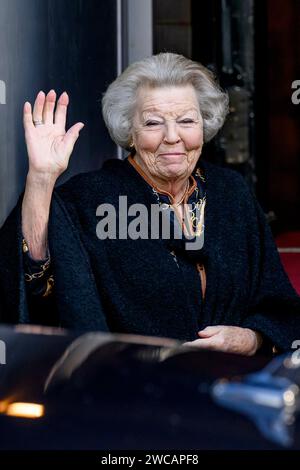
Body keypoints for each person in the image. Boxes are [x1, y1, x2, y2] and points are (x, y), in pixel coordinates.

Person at [0, 52, 299, 356]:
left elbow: (278, 307)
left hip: (229, 391)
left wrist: (251, 340)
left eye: (186, 121)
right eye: (153, 123)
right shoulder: (88, 202)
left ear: (205, 124)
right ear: (130, 130)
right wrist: (41, 178)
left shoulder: (231, 194)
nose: (172, 137)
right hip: (133, 393)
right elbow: (37, 288)